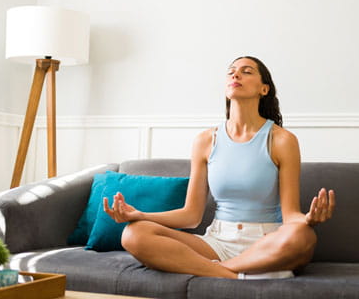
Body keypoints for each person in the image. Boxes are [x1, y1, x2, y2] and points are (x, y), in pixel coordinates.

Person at [103, 56, 336, 279]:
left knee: (303, 237)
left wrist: (308, 220)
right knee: (134, 233)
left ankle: (218, 270)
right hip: (217, 242)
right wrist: (140, 215)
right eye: (231, 71)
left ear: (264, 89)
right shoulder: (205, 140)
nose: (236, 74)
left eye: (247, 71)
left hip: (267, 240)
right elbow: (191, 216)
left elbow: (290, 215)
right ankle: (239, 275)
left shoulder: (282, 140)